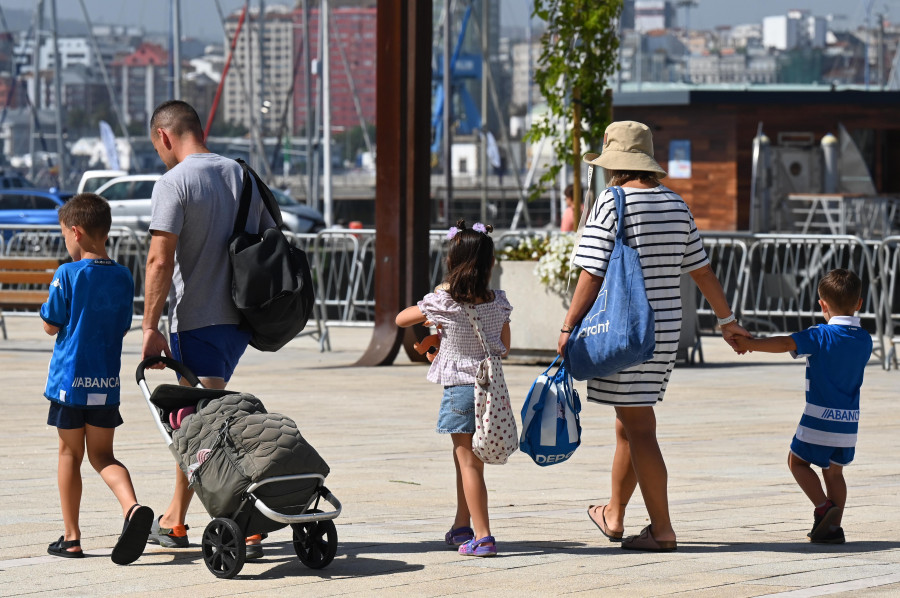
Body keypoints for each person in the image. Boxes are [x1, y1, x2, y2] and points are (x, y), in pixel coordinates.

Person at [557, 121, 750, 552]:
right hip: (660, 335)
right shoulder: (677, 205)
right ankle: (614, 514)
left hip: (622, 331)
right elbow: (701, 270)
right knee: (630, 422)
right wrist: (727, 320)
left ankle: (662, 528)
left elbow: (591, 272)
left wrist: (569, 325)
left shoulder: (613, 202)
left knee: (640, 427)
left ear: (616, 165)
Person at [142, 100, 275, 558]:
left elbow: (160, 259)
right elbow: (262, 245)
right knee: (201, 421)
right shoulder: (244, 176)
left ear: (164, 136)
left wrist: (149, 327)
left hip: (194, 320)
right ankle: (175, 517)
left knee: (202, 428)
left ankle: (244, 516)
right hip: (238, 321)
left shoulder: (174, 182)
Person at [41, 193, 153, 564]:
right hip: (105, 383)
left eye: (64, 236)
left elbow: (50, 323)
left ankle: (71, 538)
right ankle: (132, 507)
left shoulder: (67, 274)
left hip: (69, 382)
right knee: (103, 455)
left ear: (75, 231)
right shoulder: (123, 276)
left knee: (70, 453)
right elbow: (122, 326)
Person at [396, 220, 512, 558]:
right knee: (467, 461)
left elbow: (402, 319)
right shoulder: (497, 301)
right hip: (489, 389)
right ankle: (463, 524)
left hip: (460, 390)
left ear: (451, 261)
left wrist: (439, 319)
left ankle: (484, 536)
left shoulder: (444, 301)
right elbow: (504, 346)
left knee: (468, 463)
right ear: (490, 264)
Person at [732, 269, 871, 544]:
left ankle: (823, 508)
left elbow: (786, 343)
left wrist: (751, 344)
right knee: (835, 472)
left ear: (822, 304)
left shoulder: (820, 335)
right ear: (859, 303)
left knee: (796, 462)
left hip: (818, 417)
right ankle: (832, 528)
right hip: (849, 422)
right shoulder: (864, 340)